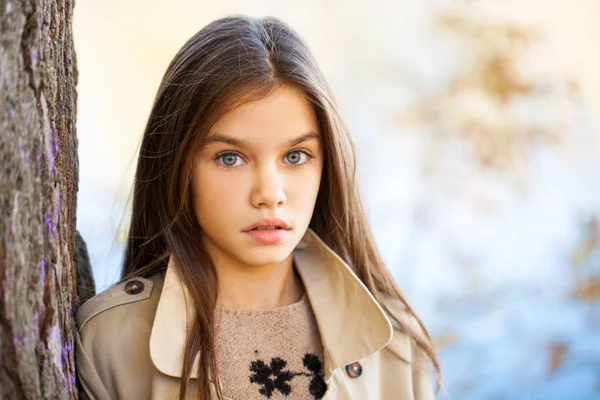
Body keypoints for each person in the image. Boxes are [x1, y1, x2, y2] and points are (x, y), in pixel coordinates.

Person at [74, 14, 442, 400]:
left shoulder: (394, 345)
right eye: (231, 158)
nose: (270, 193)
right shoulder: (109, 344)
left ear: (326, 165)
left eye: (296, 156)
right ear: (177, 167)